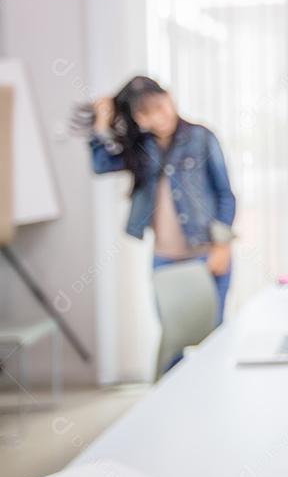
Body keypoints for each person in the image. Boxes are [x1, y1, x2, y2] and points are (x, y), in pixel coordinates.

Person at [77, 76, 235, 326]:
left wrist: (222, 247)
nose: (158, 118)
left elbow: (225, 195)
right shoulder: (139, 148)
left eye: (160, 107)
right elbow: (101, 165)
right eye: (145, 113)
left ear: (169, 98)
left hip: (206, 255)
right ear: (136, 119)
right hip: (164, 260)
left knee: (212, 337)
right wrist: (101, 123)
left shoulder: (202, 138)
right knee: (173, 340)